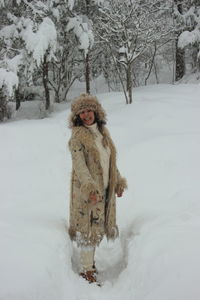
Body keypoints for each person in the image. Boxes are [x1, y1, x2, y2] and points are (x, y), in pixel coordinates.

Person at [68, 93, 127, 284]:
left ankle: (90, 265)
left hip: (105, 189)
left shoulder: (103, 133)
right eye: (82, 112)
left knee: (97, 227)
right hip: (88, 193)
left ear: (96, 111)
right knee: (88, 229)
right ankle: (86, 271)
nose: (86, 115)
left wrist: (117, 181)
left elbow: (110, 162)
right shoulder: (77, 137)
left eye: (89, 110)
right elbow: (80, 166)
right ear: (77, 116)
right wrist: (90, 189)